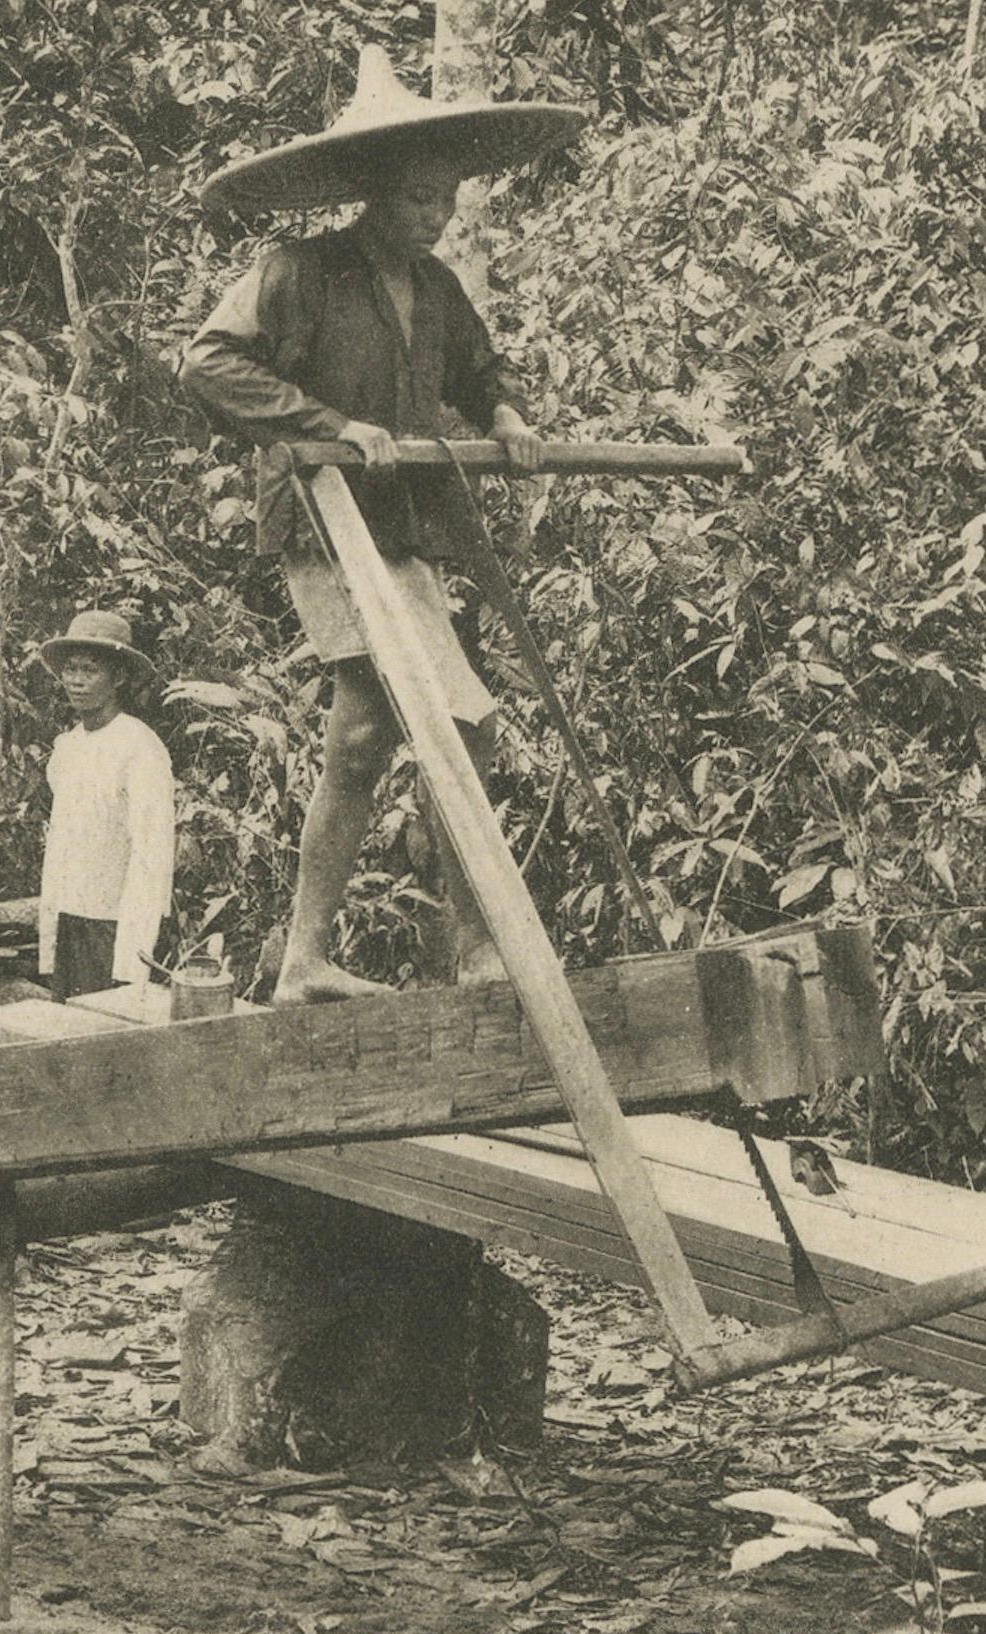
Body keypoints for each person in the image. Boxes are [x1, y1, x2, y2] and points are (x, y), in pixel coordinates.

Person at [182, 48, 585, 1004]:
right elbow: (205, 364)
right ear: (372, 194)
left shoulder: (438, 287)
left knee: (441, 728)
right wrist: (328, 428)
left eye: (444, 200)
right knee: (378, 724)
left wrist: (507, 418)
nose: (433, 216)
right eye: (415, 199)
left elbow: (481, 371)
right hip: (325, 524)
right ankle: (316, 958)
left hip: (407, 528)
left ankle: (457, 948)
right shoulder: (299, 271)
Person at [36, 610, 176, 1000]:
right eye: (71, 669)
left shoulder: (141, 749)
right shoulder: (68, 748)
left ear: (118, 677)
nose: (76, 681)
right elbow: (64, 846)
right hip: (70, 924)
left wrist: (132, 962)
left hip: (116, 930)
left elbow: (152, 857)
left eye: (90, 670)